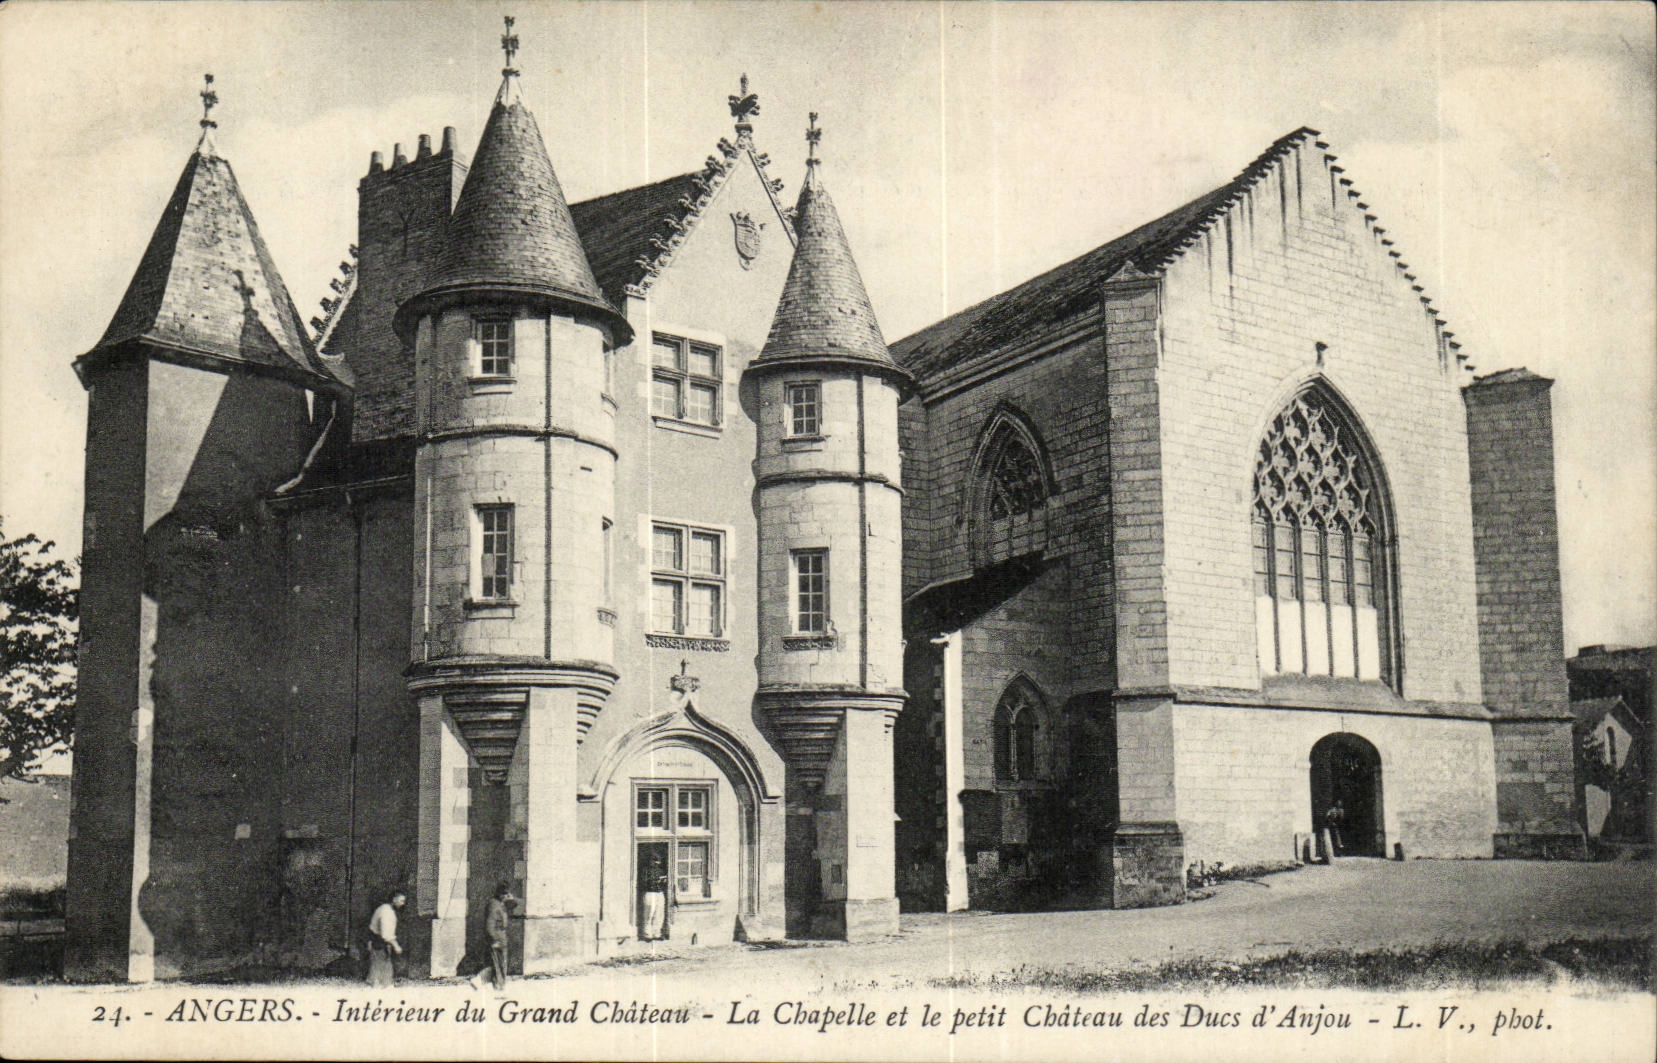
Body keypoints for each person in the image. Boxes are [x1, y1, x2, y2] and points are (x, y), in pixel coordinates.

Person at [469, 882, 517, 990]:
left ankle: (479, 980)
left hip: (502, 938)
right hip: (497, 938)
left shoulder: (500, 904)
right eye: (504, 894)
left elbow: (514, 905)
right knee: (498, 966)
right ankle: (498, 988)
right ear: (500, 894)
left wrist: (511, 899)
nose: (506, 896)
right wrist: (494, 940)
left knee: (500, 965)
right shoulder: (494, 905)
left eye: (507, 894)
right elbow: (489, 925)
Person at [366, 888, 406, 986]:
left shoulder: (385, 908)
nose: (403, 903)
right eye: (401, 901)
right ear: (394, 900)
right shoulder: (386, 912)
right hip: (378, 942)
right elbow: (386, 934)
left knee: (382, 967)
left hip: (378, 941)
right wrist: (396, 946)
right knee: (380, 969)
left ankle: (379, 984)